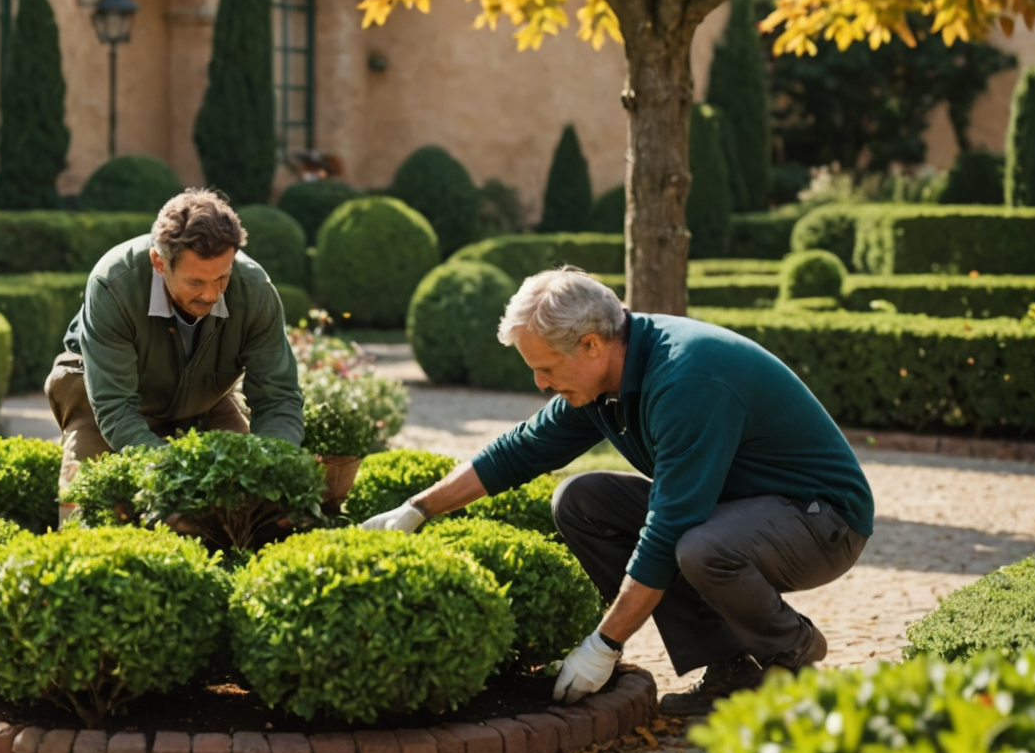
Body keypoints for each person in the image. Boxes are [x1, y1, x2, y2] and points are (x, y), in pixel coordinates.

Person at [360, 267, 873, 718]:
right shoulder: (606, 377)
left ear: (591, 344)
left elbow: (669, 524)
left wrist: (604, 645)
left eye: (546, 368)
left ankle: (793, 648)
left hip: (823, 522)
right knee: (581, 502)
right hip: (737, 509)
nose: (541, 383)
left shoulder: (686, 379)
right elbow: (520, 451)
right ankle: (731, 668)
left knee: (698, 547)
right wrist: (415, 510)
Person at [47, 188, 304, 494]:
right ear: (159, 261)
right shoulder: (113, 283)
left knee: (246, 491)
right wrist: (177, 475)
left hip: (201, 398)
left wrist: (271, 463)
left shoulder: (255, 290)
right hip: (98, 394)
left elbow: (278, 399)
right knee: (84, 495)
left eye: (221, 278)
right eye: (195, 282)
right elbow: (114, 407)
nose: (211, 295)